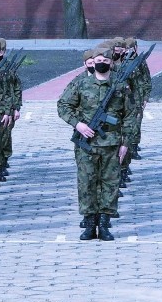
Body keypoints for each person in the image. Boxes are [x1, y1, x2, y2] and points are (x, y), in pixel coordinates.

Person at [57, 48, 134, 241]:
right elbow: (63, 105)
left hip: (112, 143)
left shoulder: (120, 85)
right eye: (97, 60)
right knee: (86, 183)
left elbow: (130, 115)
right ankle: (89, 223)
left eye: (104, 60)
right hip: (86, 144)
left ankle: (105, 223)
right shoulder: (81, 83)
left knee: (110, 183)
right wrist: (79, 124)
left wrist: (126, 143)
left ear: (110, 62)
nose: (101, 63)